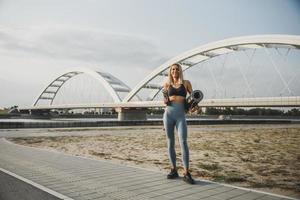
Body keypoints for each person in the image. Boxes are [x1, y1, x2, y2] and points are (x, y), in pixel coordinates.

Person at [163, 63, 195, 184]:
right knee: (170, 142)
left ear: (180, 71)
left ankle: (186, 172)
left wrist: (193, 107)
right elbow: (165, 101)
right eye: (173, 69)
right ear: (170, 72)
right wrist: (165, 100)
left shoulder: (186, 83)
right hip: (168, 115)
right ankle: (173, 170)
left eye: (177, 69)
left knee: (183, 142)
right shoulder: (166, 84)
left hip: (181, 115)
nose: (175, 71)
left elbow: (193, 98)